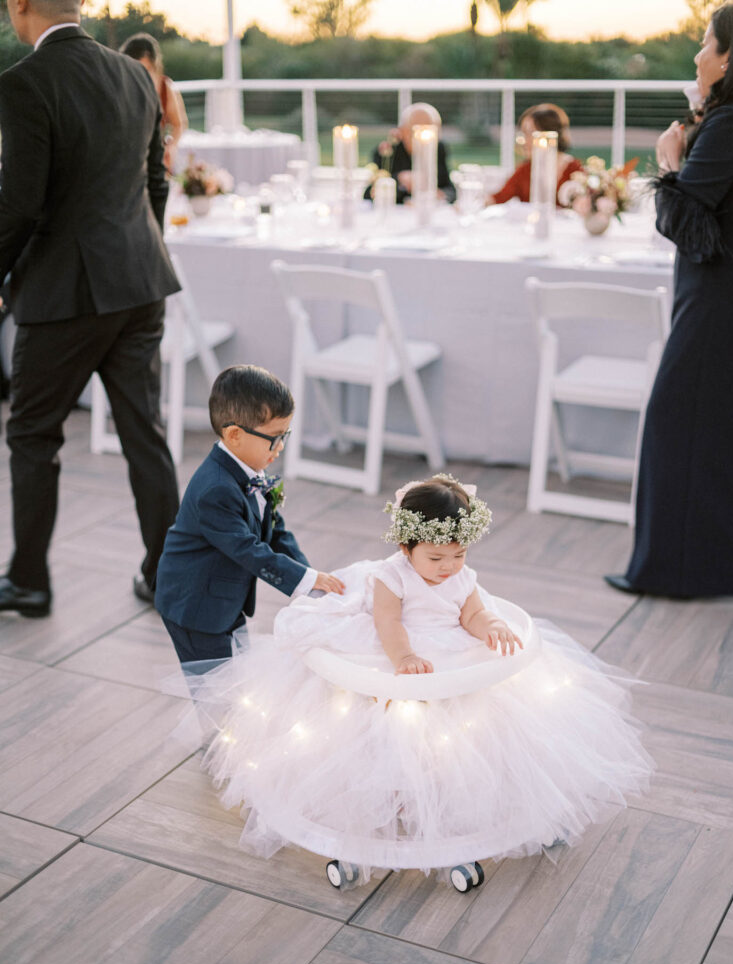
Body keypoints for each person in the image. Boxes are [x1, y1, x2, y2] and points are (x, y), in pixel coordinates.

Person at [185, 474, 653, 886]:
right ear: (406, 549)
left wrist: (488, 627)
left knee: (475, 715)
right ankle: (397, 794)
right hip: (404, 646)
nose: (449, 566)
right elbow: (388, 624)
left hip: (447, 647)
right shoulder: (393, 579)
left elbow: (472, 611)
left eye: (459, 553)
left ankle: (462, 790)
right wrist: (404, 655)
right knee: (395, 720)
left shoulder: (461, 575)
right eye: (436, 557)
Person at [0, 0, 181, 618]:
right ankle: (166, 577)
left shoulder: (23, 82)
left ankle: (28, 581)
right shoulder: (135, 73)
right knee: (145, 434)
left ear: (21, 6)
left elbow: (20, 202)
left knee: (31, 435)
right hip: (140, 282)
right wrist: (139, 247)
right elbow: (155, 180)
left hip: (66, 296)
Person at [606, 0, 733, 597]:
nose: (698, 55)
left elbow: (689, 224)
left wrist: (670, 164)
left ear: (732, 57)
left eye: (707, 43)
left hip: (720, 289)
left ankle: (673, 569)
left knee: (681, 422)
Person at [155, 365, 345, 667]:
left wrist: (310, 582)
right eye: (274, 438)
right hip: (195, 606)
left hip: (225, 596)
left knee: (239, 678)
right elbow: (248, 549)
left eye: (286, 435)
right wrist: (304, 581)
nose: (280, 447)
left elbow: (276, 530)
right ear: (234, 435)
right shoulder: (215, 490)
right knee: (215, 693)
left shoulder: (252, 466)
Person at [120, 32, 188, 174]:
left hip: (156, 163)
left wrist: (171, 146)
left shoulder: (165, 88)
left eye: (146, 70)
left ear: (155, 67)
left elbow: (178, 123)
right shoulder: (120, 88)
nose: (140, 76)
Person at [490, 103, 582, 205]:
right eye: (523, 133)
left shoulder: (574, 171)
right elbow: (497, 198)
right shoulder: (525, 170)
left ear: (549, 134)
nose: (524, 140)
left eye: (530, 133)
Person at [364, 102, 456, 205]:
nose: (423, 140)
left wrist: (441, 194)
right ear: (402, 131)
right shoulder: (387, 151)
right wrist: (399, 179)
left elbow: (450, 190)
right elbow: (368, 194)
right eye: (416, 132)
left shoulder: (439, 149)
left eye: (430, 133)